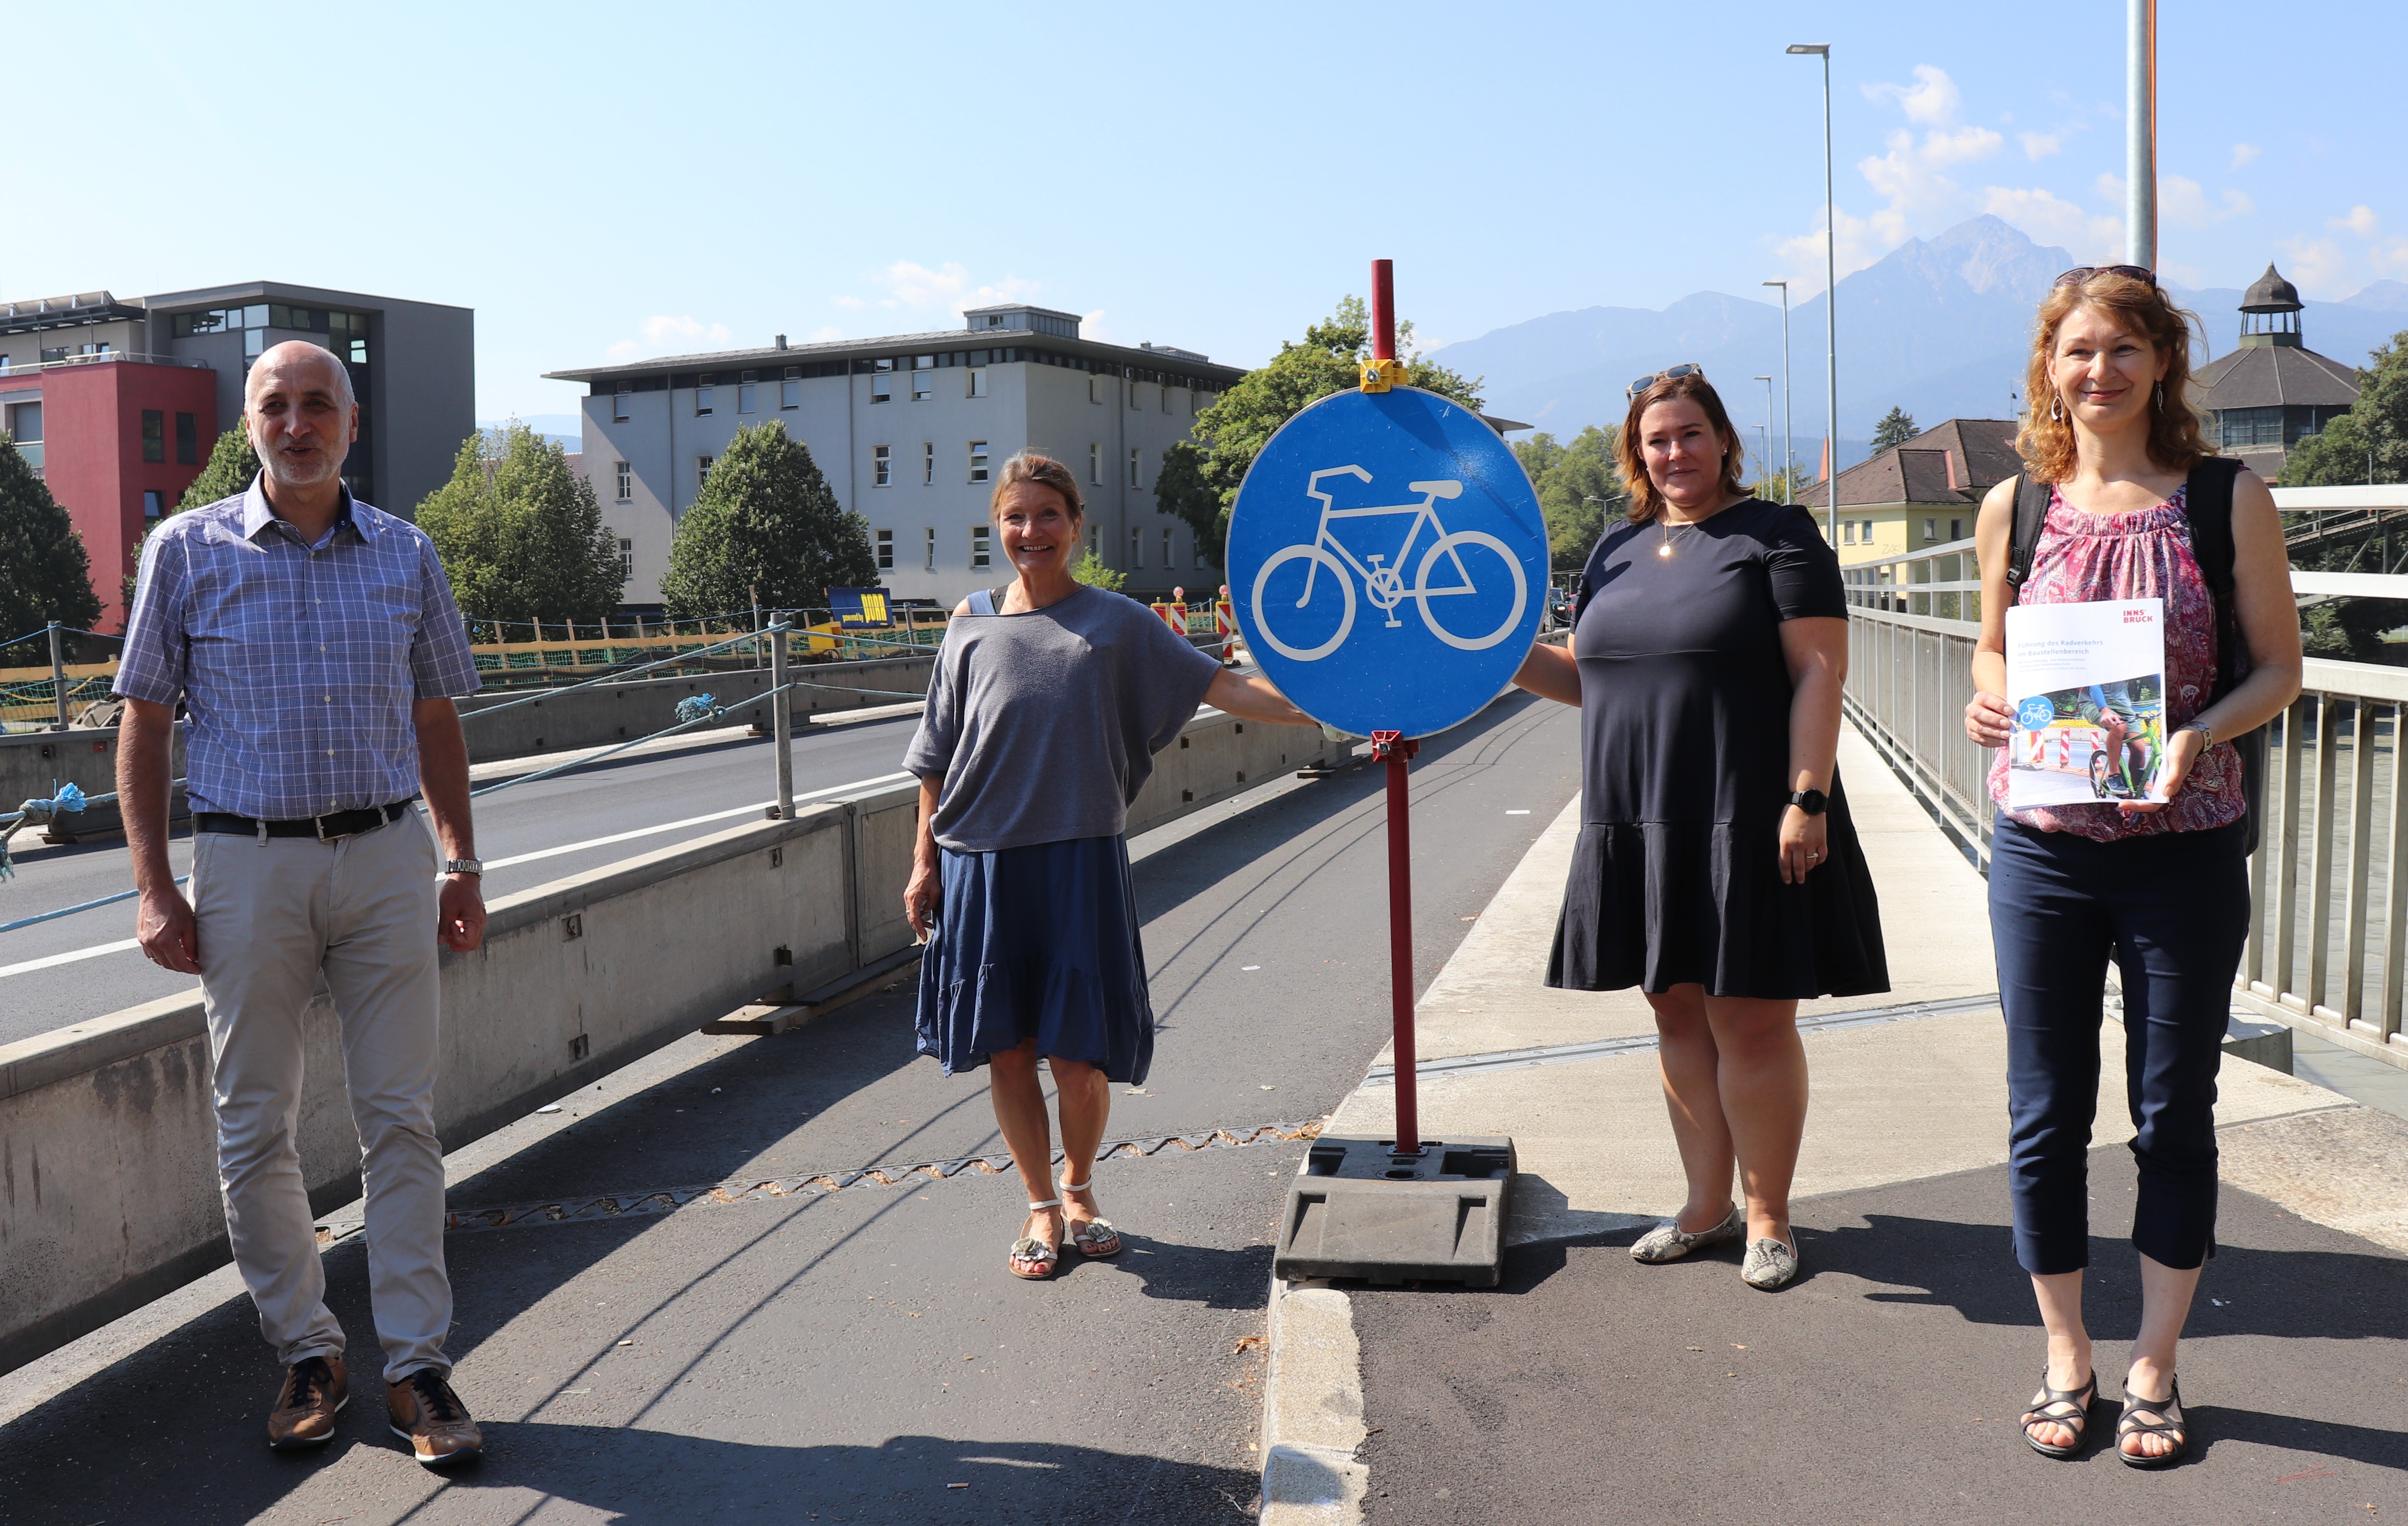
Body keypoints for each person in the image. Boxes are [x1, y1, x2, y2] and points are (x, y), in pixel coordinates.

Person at [114, 342, 489, 1465]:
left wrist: (462, 861)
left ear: (351, 422)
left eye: (317, 403)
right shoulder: (186, 551)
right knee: (252, 1122)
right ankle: (308, 1352)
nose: (296, 421)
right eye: (275, 405)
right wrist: (153, 887)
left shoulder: (408, 554)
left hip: (384, 856)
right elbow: (143, 721)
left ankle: (418, 1368)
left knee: (402, 1119)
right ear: (250, 423)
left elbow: (436, 720)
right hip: (247, 864)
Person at [1964, 267, 2302, 1467]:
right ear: (2048, 369)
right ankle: (2067, 1351)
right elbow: (1992, 653)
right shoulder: (2019, 504)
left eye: (2120, 349)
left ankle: (2154, 1361)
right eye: (2074, 352)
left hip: (2184, 848)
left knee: (2173, 1112)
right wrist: (1992, 706)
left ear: (2161, 361)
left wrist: (2199, 733)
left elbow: (2278, 669)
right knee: (2044, 1112)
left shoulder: (2227, 498)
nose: (2096, 371)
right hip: (2042, 847)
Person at [1513, 368, 1886, 1292]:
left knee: (1750, 1019)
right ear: (1636, 454)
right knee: (1675, 1010)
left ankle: (1769, 1217)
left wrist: (1809, 799)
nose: (1673, 452)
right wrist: (1493, 654)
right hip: (1637, 816)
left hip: (1746, 812)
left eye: (1689, 434)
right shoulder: (1615, 548)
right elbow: (1588, 677)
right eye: (1655, 440)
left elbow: (1817, 674)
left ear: (1723, 439)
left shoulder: (1777, 536)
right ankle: (1703, 1205)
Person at [904, 452, 1316, 1278]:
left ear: (1075, 523)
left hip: (1077, 862)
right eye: (1016, 517)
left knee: (1076, 1055)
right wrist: (924, 862)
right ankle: (1041, 1208)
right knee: (1010, 1051)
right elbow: (935, 755)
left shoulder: (1120, 622)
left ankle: (1082, 1187)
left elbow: (1223, 688)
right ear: (999, 525)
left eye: (1048, 515)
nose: (1032, 532)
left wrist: (1330, 707)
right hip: (979, 862)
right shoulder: (969, 621)